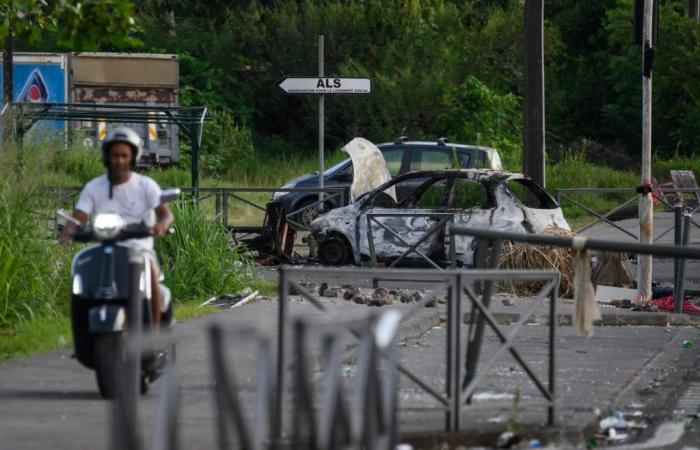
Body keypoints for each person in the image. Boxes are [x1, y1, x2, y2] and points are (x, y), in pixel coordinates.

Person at [59, 127, 174, 331]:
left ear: (132, 158)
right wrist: (68, 230)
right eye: (115, 155)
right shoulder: (94, 187)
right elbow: (78, 217)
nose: (119, 160)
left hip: (139, 248)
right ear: (106, 157)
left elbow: (165, 213)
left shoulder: (146, 185)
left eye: (124, 155)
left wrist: (162, 225)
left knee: (152, 271)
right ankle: (82, 333)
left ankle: (153, 335)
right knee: (81, 275)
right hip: (104, 246)